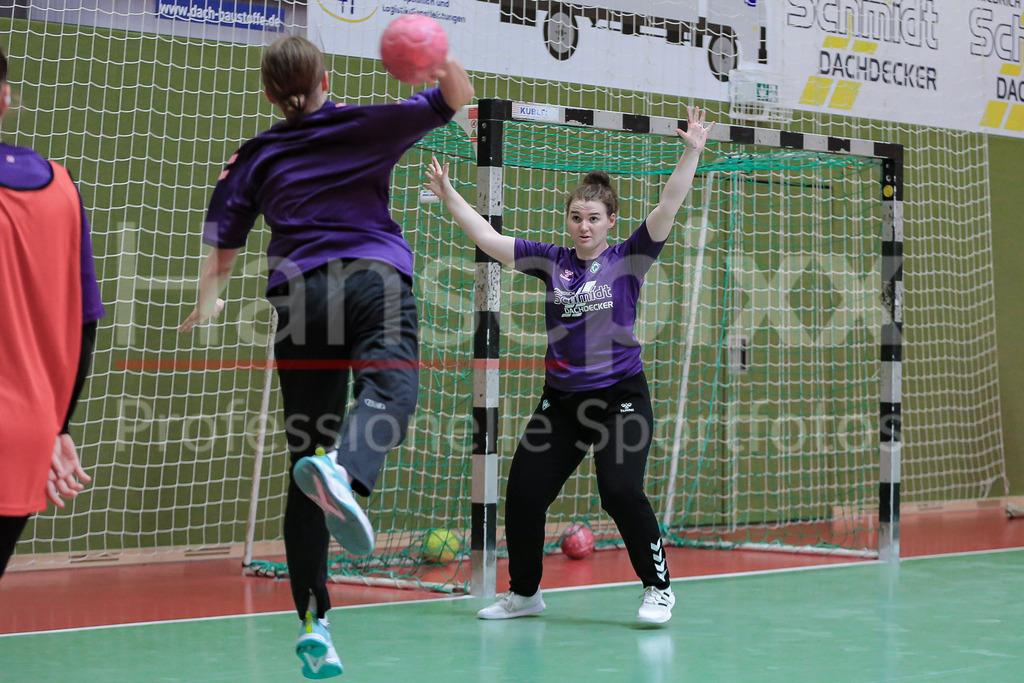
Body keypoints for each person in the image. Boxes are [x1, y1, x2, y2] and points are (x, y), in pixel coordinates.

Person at [179, 35, 474, 678]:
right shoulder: (364, 121)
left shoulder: (256, 154)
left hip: (300, 299)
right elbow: (457, 99)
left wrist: (211, 301)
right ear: (326, 78)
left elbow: (223, 248)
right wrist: (436, 58)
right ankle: (348, 467)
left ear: (268, 94)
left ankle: (316, 625)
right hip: (370, 278)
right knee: (392, 392)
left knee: (303, 460)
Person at [424, 105, 714, 625]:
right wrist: (450, 196)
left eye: (594, 218)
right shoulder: (550, 260)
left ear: (611, 222)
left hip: (620, 397)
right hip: (560, 403)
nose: (584, 227)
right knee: (524, 494)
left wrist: (691, 150)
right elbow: (489, 240)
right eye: (576, 217)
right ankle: (525, 593)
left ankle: (658, 588)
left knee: (620, 490)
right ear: (569, 219)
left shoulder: (630, 258)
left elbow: (668, 205)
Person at [0, 44, 105, 578]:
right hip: (28, 434)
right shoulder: (64, 187)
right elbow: (85, 326)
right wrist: (57, 427)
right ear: (5, 97)